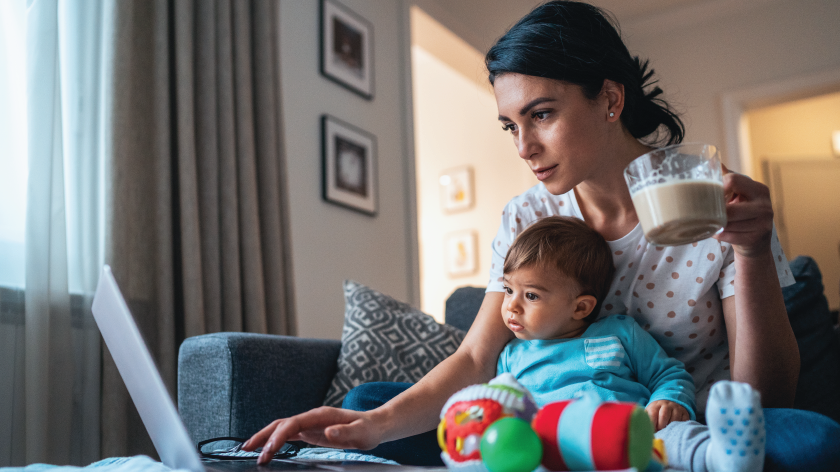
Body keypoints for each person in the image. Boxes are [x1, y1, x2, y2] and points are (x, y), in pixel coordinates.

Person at [243, 2, 840, 470]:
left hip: (682, 435)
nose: (524, 146)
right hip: (548, 425)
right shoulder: (526, 215)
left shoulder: (714, 201)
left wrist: (753, 250)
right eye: (511, 124)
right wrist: (375, 426)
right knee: (366, 404)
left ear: (609, 99)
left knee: (809, 440)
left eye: (542, 114)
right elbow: (478, 358)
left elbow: (765, 396)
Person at [495, 215, 763, 472]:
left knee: (673, 437)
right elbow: (503, 405)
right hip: (558, 446)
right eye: (508, 290)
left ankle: (720, 457)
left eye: (531, 295)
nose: (512, 306)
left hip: (632, 435)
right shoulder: (511, 356)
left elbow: (668, 374)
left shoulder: (619, 333)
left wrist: (668, 400)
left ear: (581, 307)